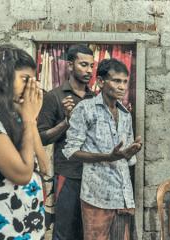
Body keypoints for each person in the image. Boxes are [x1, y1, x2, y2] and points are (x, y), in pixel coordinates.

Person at [62, 58, 142, 240]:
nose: (122, 86)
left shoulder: (125, 114)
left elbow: (125, 157)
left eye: (124, 82)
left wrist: (131, 152)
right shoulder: (85, 109)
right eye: (116, 81)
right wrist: (107, 156)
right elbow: (71, 151)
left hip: (123, 195)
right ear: (100, 82)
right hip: (96, 196)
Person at [37, 44, 95, 239]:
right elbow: (41, 138)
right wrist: (66, 122)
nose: (89, 70)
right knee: (64, 233)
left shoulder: (95, 98)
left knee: (87, 233)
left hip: (93, 176)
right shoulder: (54, 97)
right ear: (70, 65)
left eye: (91, 66)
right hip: (68, 175)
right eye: (84, 65)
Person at [0, 44, 49, 239]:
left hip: (28, 228)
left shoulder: (15, 116)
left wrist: (30, 118)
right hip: (6, 230)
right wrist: (28, 118)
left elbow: (44, 166)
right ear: (3, 77)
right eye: (25, 79)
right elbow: (22, 174)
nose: (30, 87)